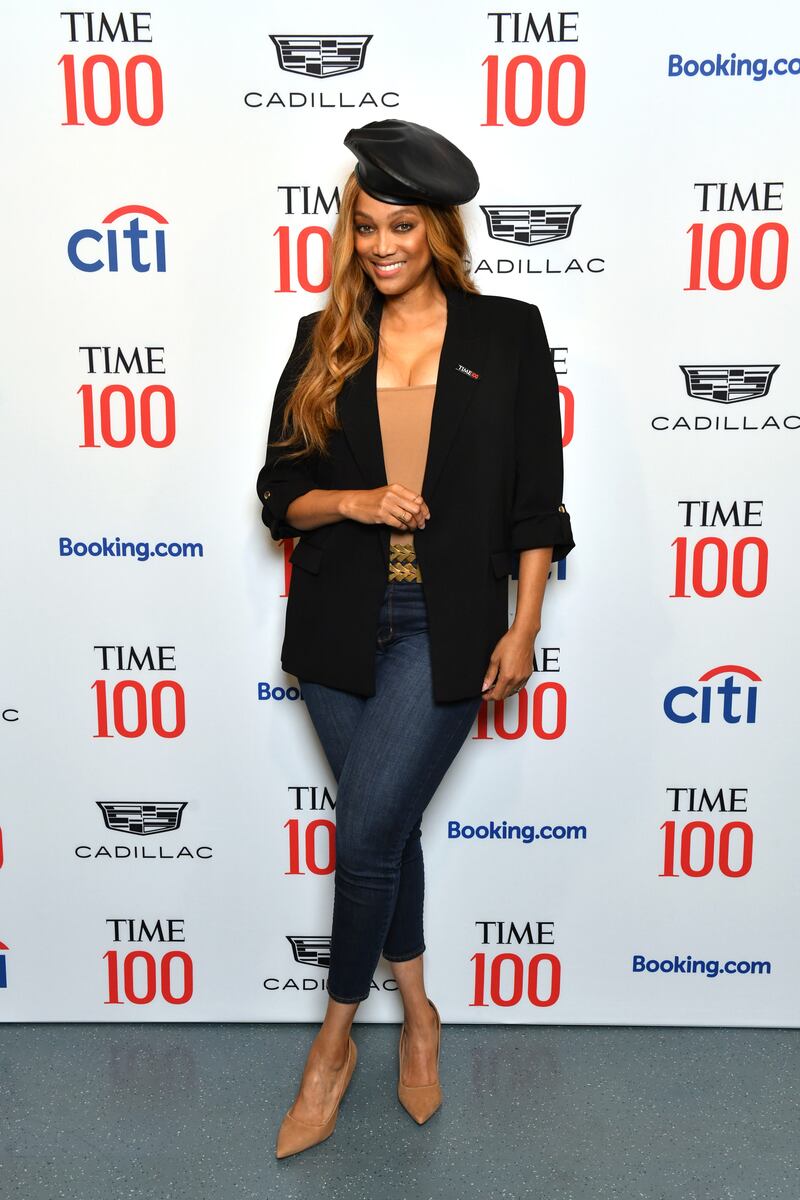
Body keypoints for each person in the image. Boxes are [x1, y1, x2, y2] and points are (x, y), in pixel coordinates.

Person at [255, 118, 576, 1159]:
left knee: (362, 836)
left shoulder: (506, 333)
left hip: (445, 628)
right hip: (337, 628)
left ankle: (333, 1045)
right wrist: (353, 500)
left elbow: (537, 501)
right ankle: (422, 1013)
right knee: (382, 831)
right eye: (365, 225)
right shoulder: (322, 338)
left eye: (401, 225)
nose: (382, 244)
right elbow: (279, 495)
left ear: (436, 232)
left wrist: (524, 624)